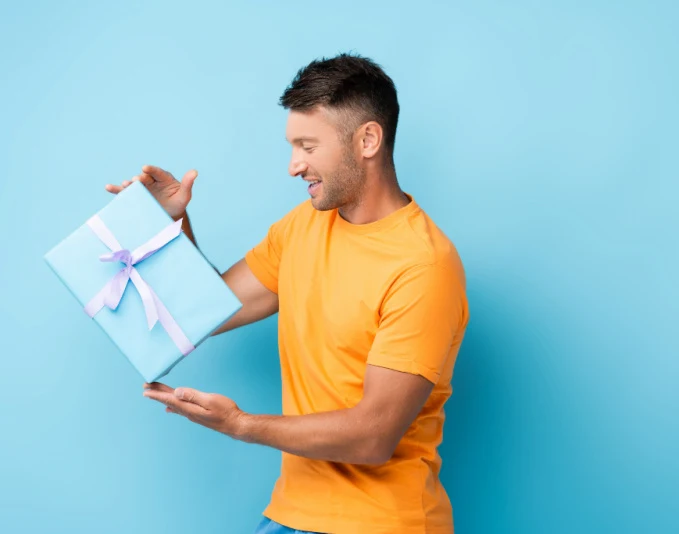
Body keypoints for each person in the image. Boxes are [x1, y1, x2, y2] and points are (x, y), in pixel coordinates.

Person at [107, 53, 469, 534]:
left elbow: (373, 437)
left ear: (367, 140)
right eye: (293, 145)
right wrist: (168, 226)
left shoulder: (423, 265)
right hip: (289, 515)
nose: (294, 166)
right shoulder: (302, 226)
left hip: (379, 524)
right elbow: (203, 310)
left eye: (307, 146)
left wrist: (242, 425)